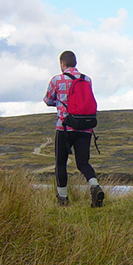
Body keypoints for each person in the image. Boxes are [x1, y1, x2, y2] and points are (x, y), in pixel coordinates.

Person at [43, 50, 104, 207]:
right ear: (75, 63)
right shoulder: (87, 79)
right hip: (85, 127)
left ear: (62, 63)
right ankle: (95, 187)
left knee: (61, 162)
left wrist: (58, 102)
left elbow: (48, 100)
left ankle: (62, 199)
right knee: (83, 163)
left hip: (65, 127)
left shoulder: (57, 80)